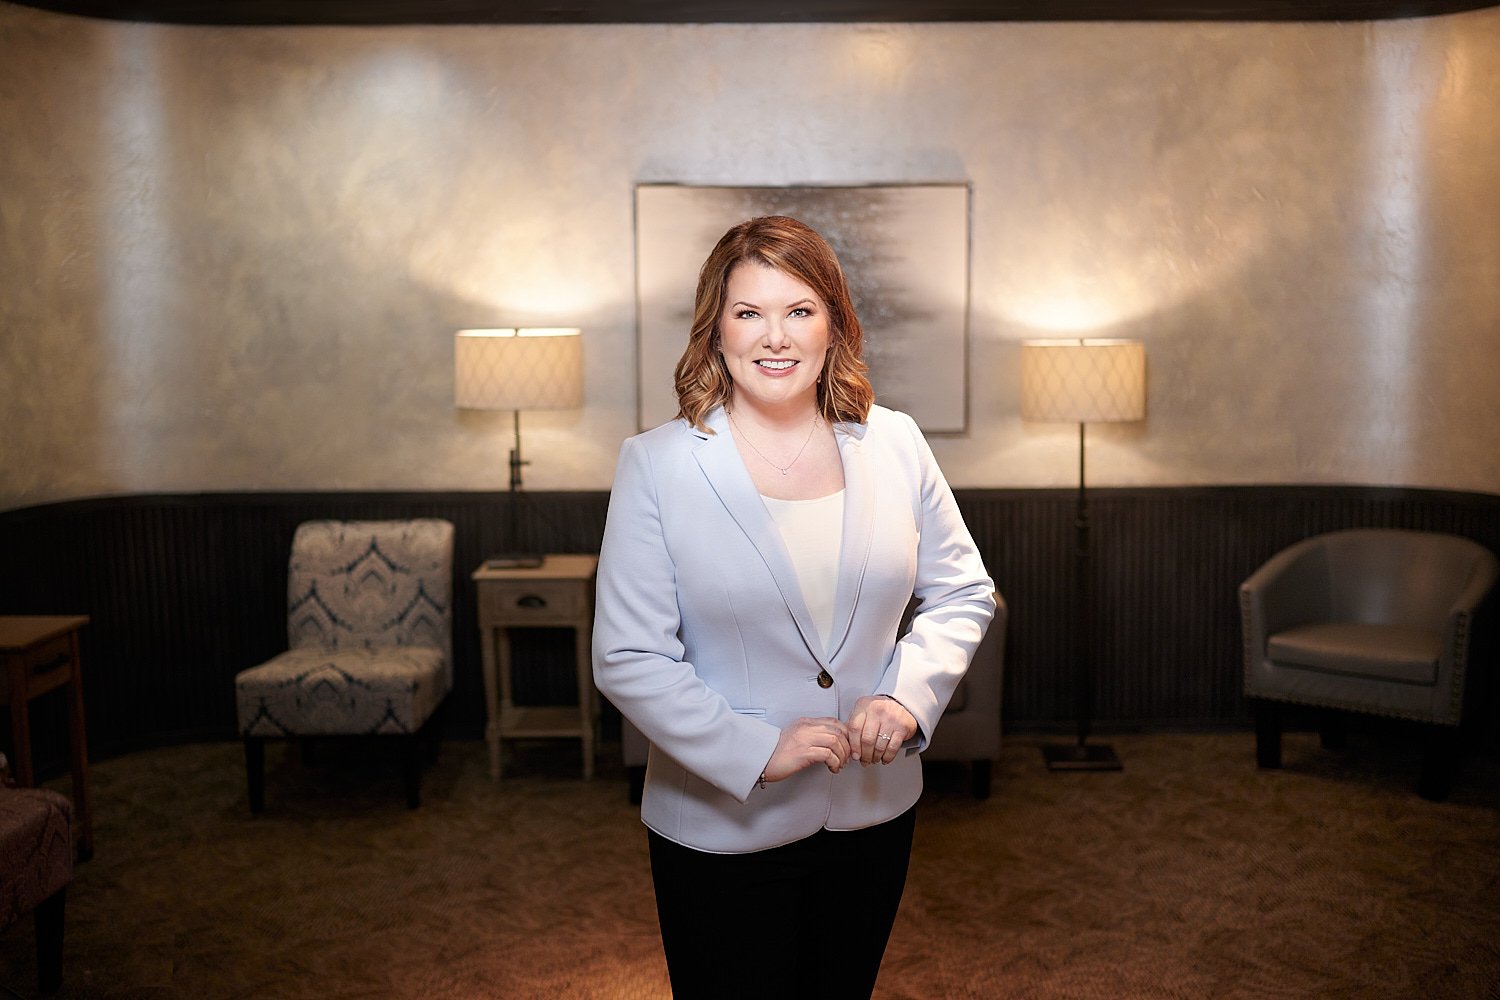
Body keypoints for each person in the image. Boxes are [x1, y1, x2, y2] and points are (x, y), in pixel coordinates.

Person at [593, 215, 995, 999]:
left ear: (835, 324)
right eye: (749, 314)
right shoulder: (656, 464)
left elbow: (962, 590)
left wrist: (907, 700)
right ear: (716, 331)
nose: (774, 338)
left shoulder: (897, 443)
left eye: (799, 311)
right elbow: (629, 655)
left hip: (872, 814)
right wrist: (753, 750)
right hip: (719, 826)